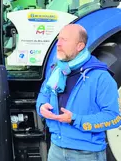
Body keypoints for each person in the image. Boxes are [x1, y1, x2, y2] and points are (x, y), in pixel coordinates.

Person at [36, 24, 121, 161]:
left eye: (64, 40)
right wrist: (41, 106)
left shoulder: (101, 77)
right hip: (56, 150)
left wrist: (75, 119)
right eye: (58, 39)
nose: (59, 44)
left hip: (86, 154)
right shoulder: (56, 71)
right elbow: (44, 94)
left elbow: (114, 118)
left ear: (80, 46)